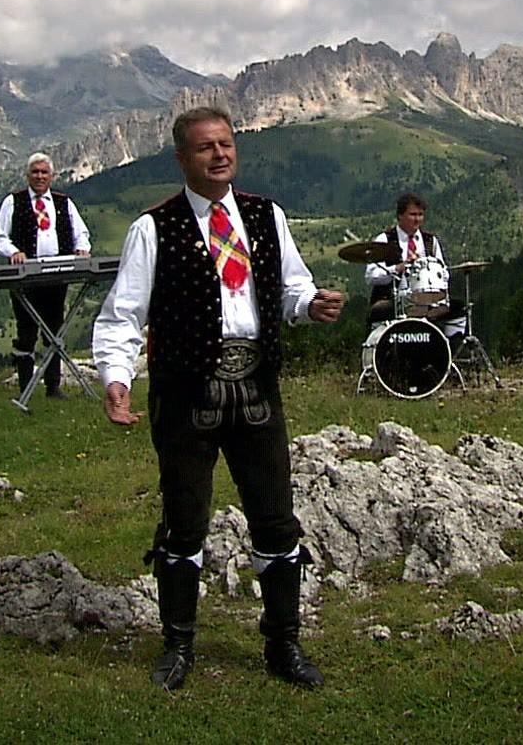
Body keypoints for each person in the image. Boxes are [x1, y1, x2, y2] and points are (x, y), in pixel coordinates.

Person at [91, 106, 345, 692]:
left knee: (276, 521)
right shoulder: (153, 229)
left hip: (257, 389)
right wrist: (116, 379)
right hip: (185, 395)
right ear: (183, 158)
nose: (220, 155)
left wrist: (310, 306)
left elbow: (291, 287)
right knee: (184, 523)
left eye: (226, 144)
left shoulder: (265, 216)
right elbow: (123, 315)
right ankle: (178, 646)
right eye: (205, 148)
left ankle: (284, 644)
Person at [0, 152, 92, 397]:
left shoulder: (63, 202)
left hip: (58, 274)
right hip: (26, 276)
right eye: (35, 172)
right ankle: (26, 387)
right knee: (26, 331)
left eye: (44, 172)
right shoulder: (13, 202)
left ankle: (53, 386)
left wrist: (83, 249)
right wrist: (14, 252)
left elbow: (81, 233)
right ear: (27, 175)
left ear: (52, 176)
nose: (39, 176)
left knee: (54, 328)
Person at [364, 192, 445, 325]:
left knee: (458, 310)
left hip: (425, 301)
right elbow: (371, 276)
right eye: (412, 215)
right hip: (392, 301)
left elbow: (443, 272)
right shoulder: (385, 240)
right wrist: (398, 268)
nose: (417, 219)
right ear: (400, 216)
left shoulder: (430, 241)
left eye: (420, 215)